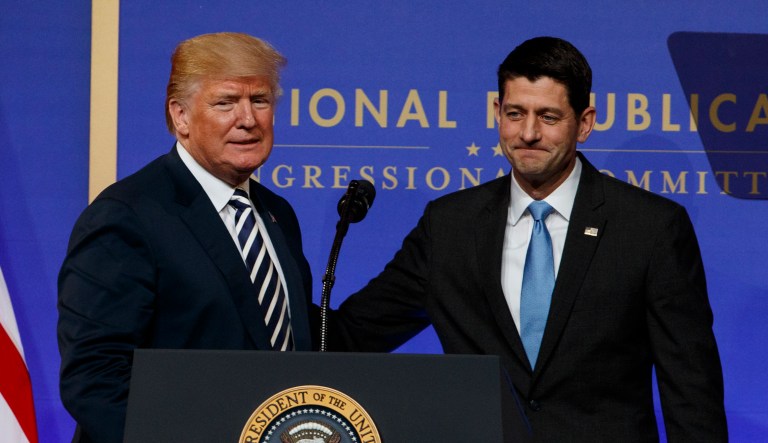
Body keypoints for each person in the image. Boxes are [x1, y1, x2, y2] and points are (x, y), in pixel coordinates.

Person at [330, 36, 727, 441]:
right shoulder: (449, 226)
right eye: (515, 113)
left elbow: (692, 394)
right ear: (496, 112)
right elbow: (347, 334)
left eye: (549, 117)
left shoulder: (649, 228)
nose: (529, 133)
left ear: (585, 123)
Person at [57, 33, 316, 443]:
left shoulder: (276, 213)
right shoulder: (126, 216)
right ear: (180, 116)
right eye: (225, 102)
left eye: (260, 100)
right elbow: (95, 378)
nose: (248, 119)